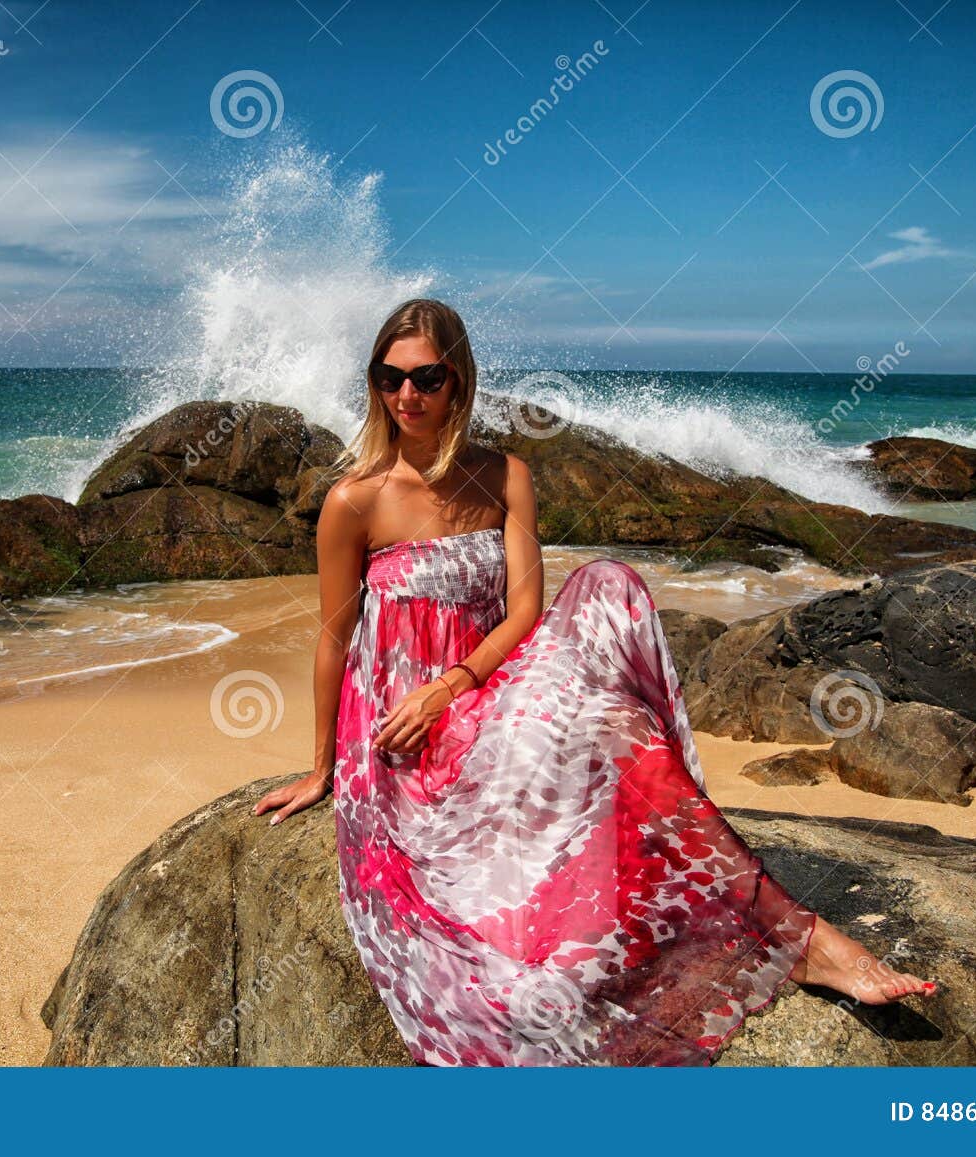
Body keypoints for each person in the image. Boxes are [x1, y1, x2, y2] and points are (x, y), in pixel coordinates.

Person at [253, 297, 937, 1066]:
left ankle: (794, 935)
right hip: (408, 732)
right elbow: (332, 637)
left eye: (427, 378)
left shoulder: (505, 475)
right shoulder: (354, 499)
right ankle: (798, 938)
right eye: (389, 378)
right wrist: (323, 767)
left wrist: (454, 683)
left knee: (611, 614)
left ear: (459, 380)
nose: (406, 396)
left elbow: (523, 611)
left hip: (486, 689)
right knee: (603, 728)